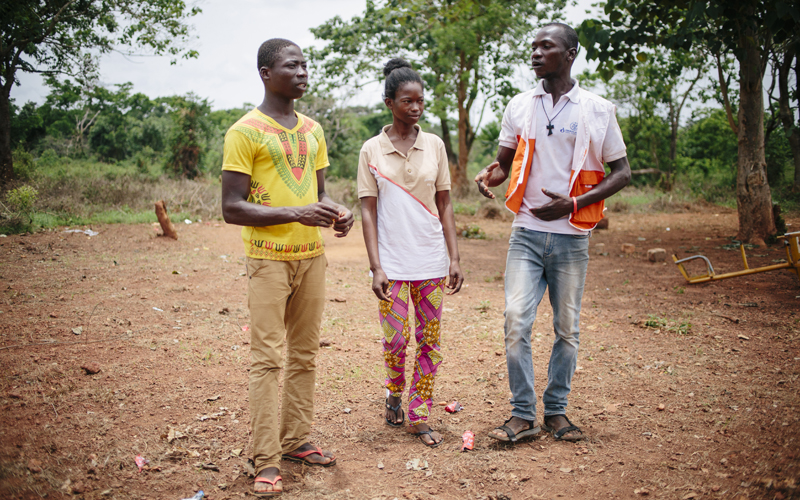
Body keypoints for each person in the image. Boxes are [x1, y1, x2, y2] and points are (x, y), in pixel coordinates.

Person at [475, 23, 631, 444]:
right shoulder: (520, 105)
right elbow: (505, 162)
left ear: (570, 53)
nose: (536, 53)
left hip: (572, 235)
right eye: (534, 46)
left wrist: (575, 203)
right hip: (525, 233)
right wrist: (492, 174)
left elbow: (622, 172)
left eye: (547, 46)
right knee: (515, 321)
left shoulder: (597, 110)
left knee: (567, 328)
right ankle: (523, 414)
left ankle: (557, 411)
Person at [221, 38, 354, 497]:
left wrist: (338, 213)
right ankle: (266, 458)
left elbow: (317, 197)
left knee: (304, 354)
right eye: (290, 65)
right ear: (265, 72)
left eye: (304, 64)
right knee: (266, 360)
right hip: (266, 258)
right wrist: (295, 215)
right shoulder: (245, 131)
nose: (302, 72)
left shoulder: (313, 130)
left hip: (310, 259)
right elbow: (231, 208)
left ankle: (296, 440)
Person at [357, 58, 464, 448]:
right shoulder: (372, 149)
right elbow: (367, 210)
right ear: (390, 102)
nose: (415, 107)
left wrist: (453, 258)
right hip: (393, 264)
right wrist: (375, 266)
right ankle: (394, 391)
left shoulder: (434, 145)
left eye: (420, 101)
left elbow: (446, 204)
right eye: (407, 101)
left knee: (429, 341)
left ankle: (419, 414)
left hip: (431, 260)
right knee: (396, 341)